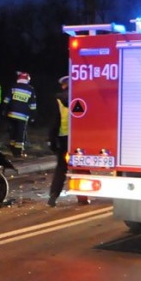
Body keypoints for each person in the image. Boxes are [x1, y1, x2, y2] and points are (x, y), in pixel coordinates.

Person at [47, 76, 89, 207]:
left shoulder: (58, 99)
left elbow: (55, 122)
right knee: (81, 166)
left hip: (63, 138)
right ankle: (83, 198)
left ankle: (54, 195)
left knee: (61, 167)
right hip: (79, 137)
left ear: (63, 85)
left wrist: (51, 140)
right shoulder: (82, 97)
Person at [2, 71, 37, 157]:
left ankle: (12, 148)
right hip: (23, 116)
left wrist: (4, 110)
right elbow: (32, 105)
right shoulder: (30, 89)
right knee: (20, 134)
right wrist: (33, 115)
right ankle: (18, 152)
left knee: (13, 132)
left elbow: (6, 100)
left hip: (11, 115)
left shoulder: (14, 87)